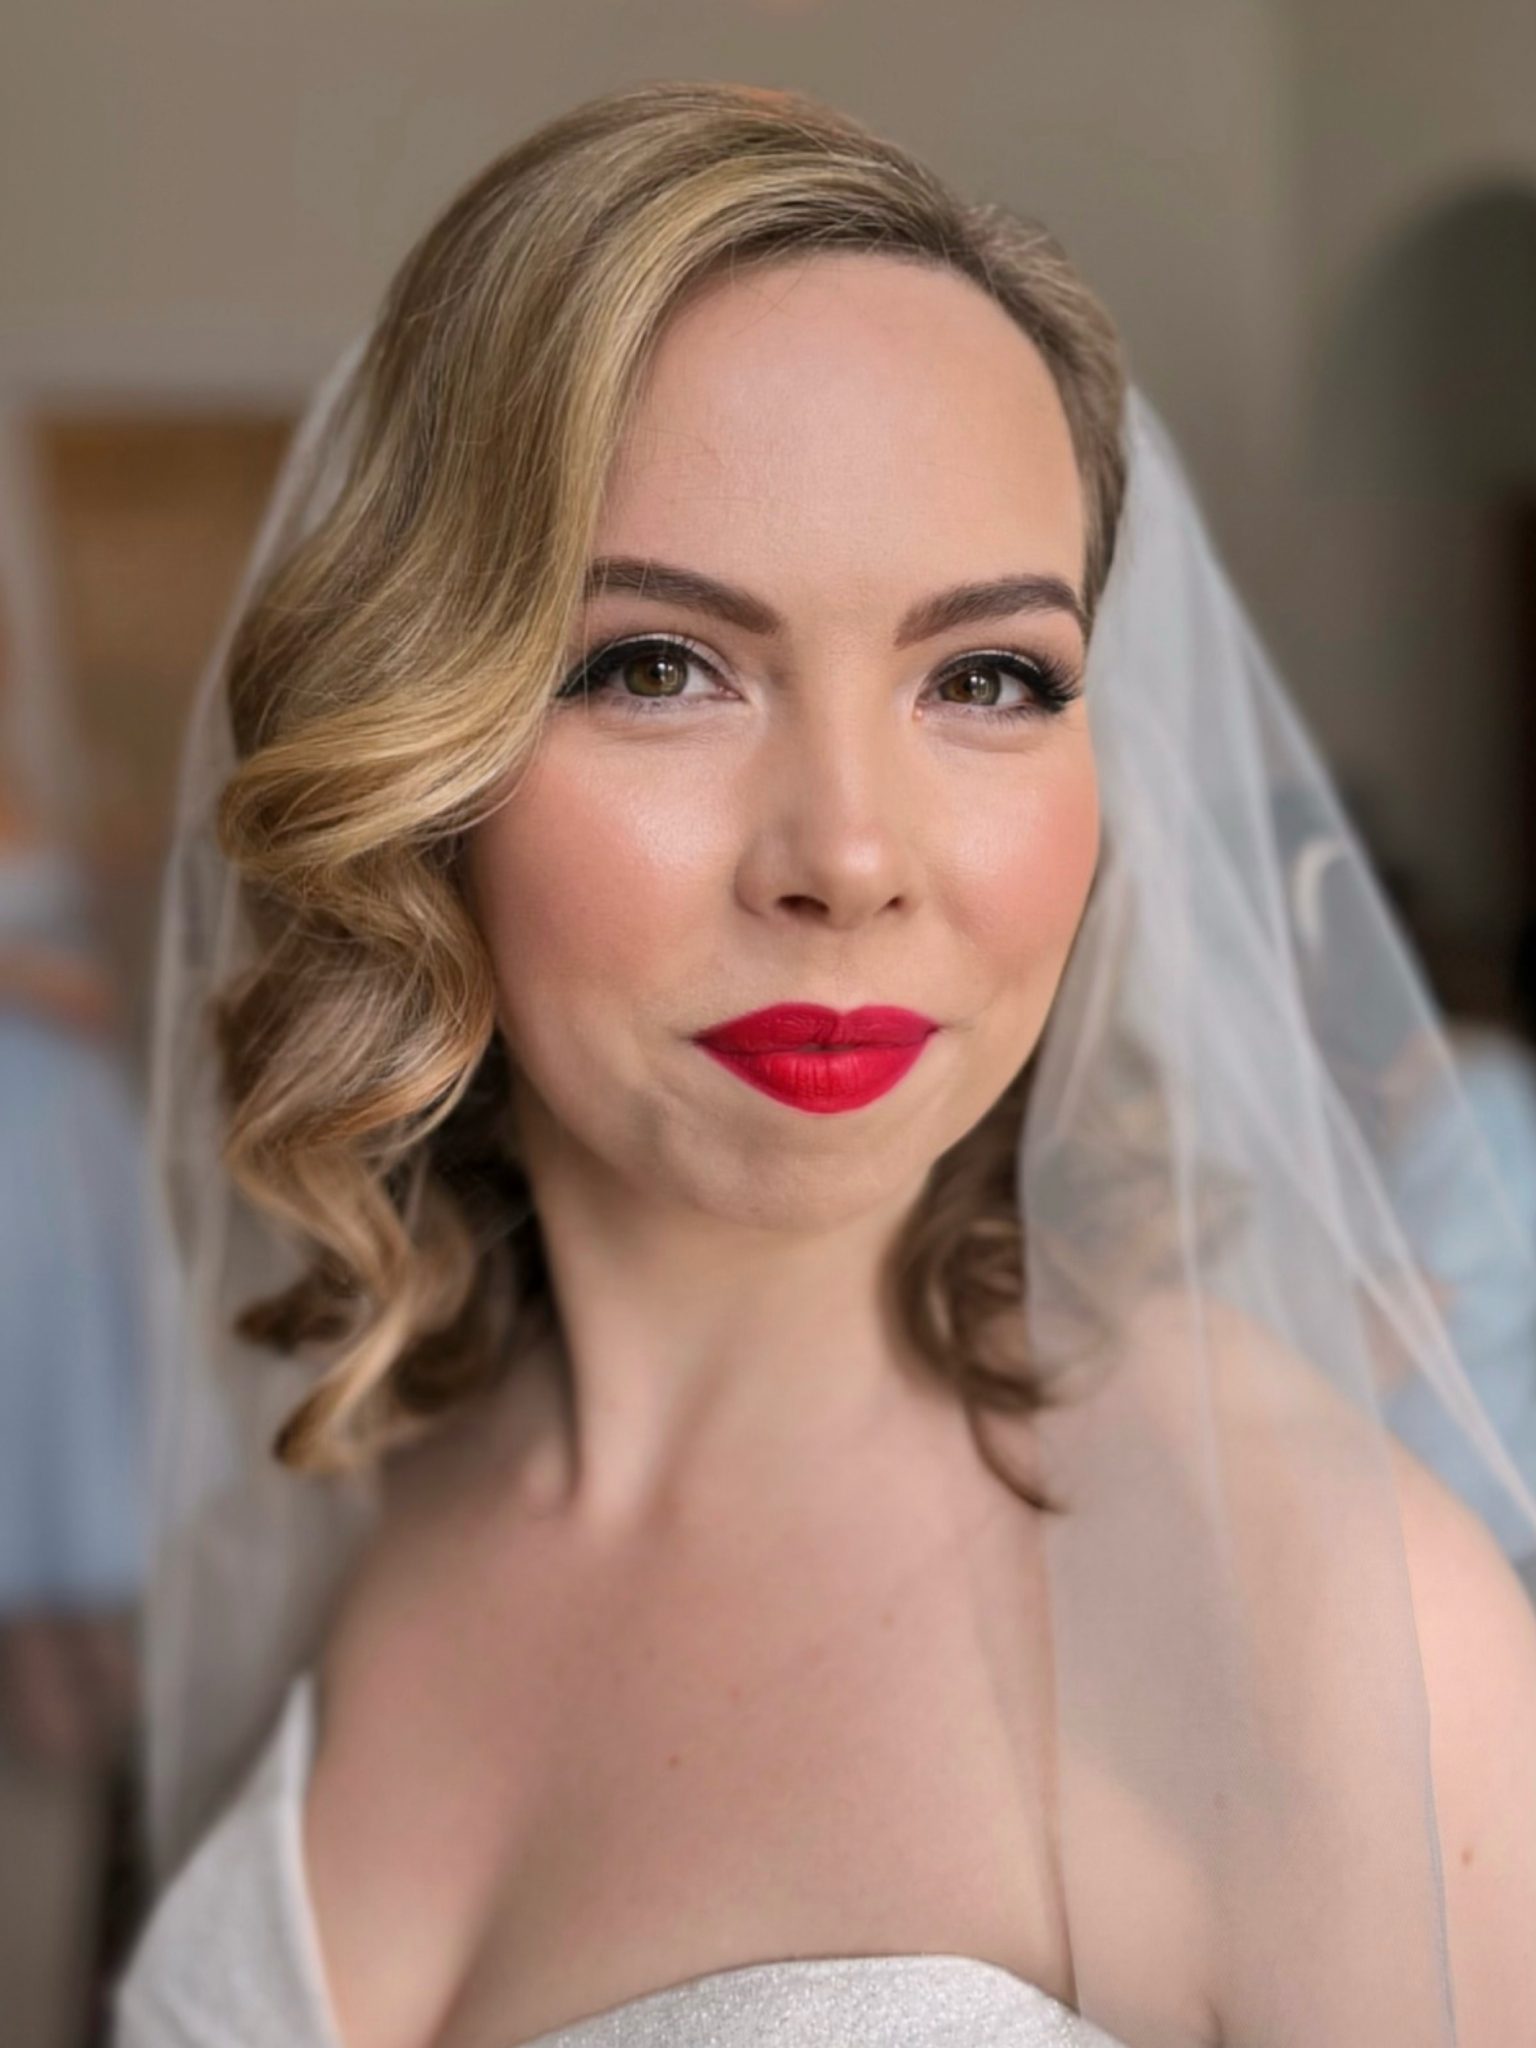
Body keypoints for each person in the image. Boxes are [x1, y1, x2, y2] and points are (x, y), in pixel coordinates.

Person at [111, 81, 1536, 2048]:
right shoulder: (362, 1508)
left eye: (989, 677)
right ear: (420, 748)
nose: (851, 856)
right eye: (657, 666)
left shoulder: (1318, 1609)